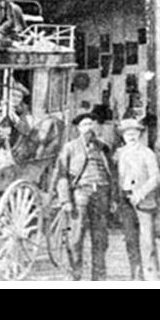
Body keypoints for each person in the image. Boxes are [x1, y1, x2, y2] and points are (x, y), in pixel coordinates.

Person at [54, 111, 116, 281]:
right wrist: (65, 199)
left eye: (91, 124)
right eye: (85, 125)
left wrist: (113, 198)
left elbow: (112, 174)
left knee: (101, 237)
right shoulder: (70, 147)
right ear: (78, 129)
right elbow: (62, 175)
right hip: (81, 193)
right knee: (76, 236)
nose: (89, 128)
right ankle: (75, 275)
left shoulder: (104, 147)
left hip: (102, 193)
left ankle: (99, 277)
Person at [116, 117, 160, 280]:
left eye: (134, 133)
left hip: (144, 201)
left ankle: (151, 276)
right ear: (122, 136)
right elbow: (117, 177)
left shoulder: (147, 153)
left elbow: (155, 178)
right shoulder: (120, 154)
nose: (131, 136)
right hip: (126, 201)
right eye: (127, 133)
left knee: (147, 241)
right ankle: (135, 275)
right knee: (130, 239)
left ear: (139, 134)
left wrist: (140, 193)